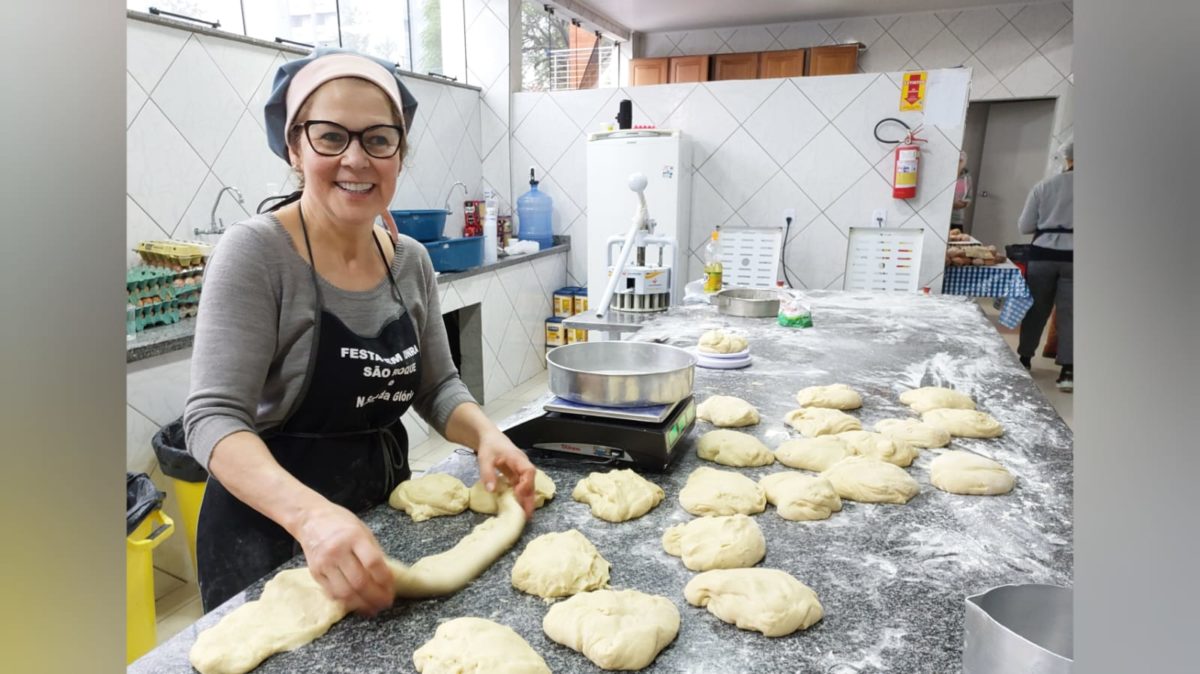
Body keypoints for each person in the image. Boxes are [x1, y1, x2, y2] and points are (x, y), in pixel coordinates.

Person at [184, 48, 537, 615]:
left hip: (378, 514)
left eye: (378, 139)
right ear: (295, 147)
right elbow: (212, 419)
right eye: (330, 137)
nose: (356, 159)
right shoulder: (257, 254)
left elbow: (437, 385)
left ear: (399, 151)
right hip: (270, 530)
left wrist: (486, 436)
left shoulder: (410, 260)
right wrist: (311, 517)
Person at [1017, 140, 1074, 391]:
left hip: (1042, 255)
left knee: (1036, 309)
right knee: (1070, 314)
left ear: (1066, 158)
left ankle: (1025, 359)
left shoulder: (1045, 186)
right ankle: (1067, 372)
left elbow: (1025, 226)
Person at [951, 151, 973, 229]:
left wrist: (963, 204)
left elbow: (968, 198)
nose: (959, 163)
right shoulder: (946, 175)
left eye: (961, 161)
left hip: (957, 220)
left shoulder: (966, 176)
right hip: (942, 217)